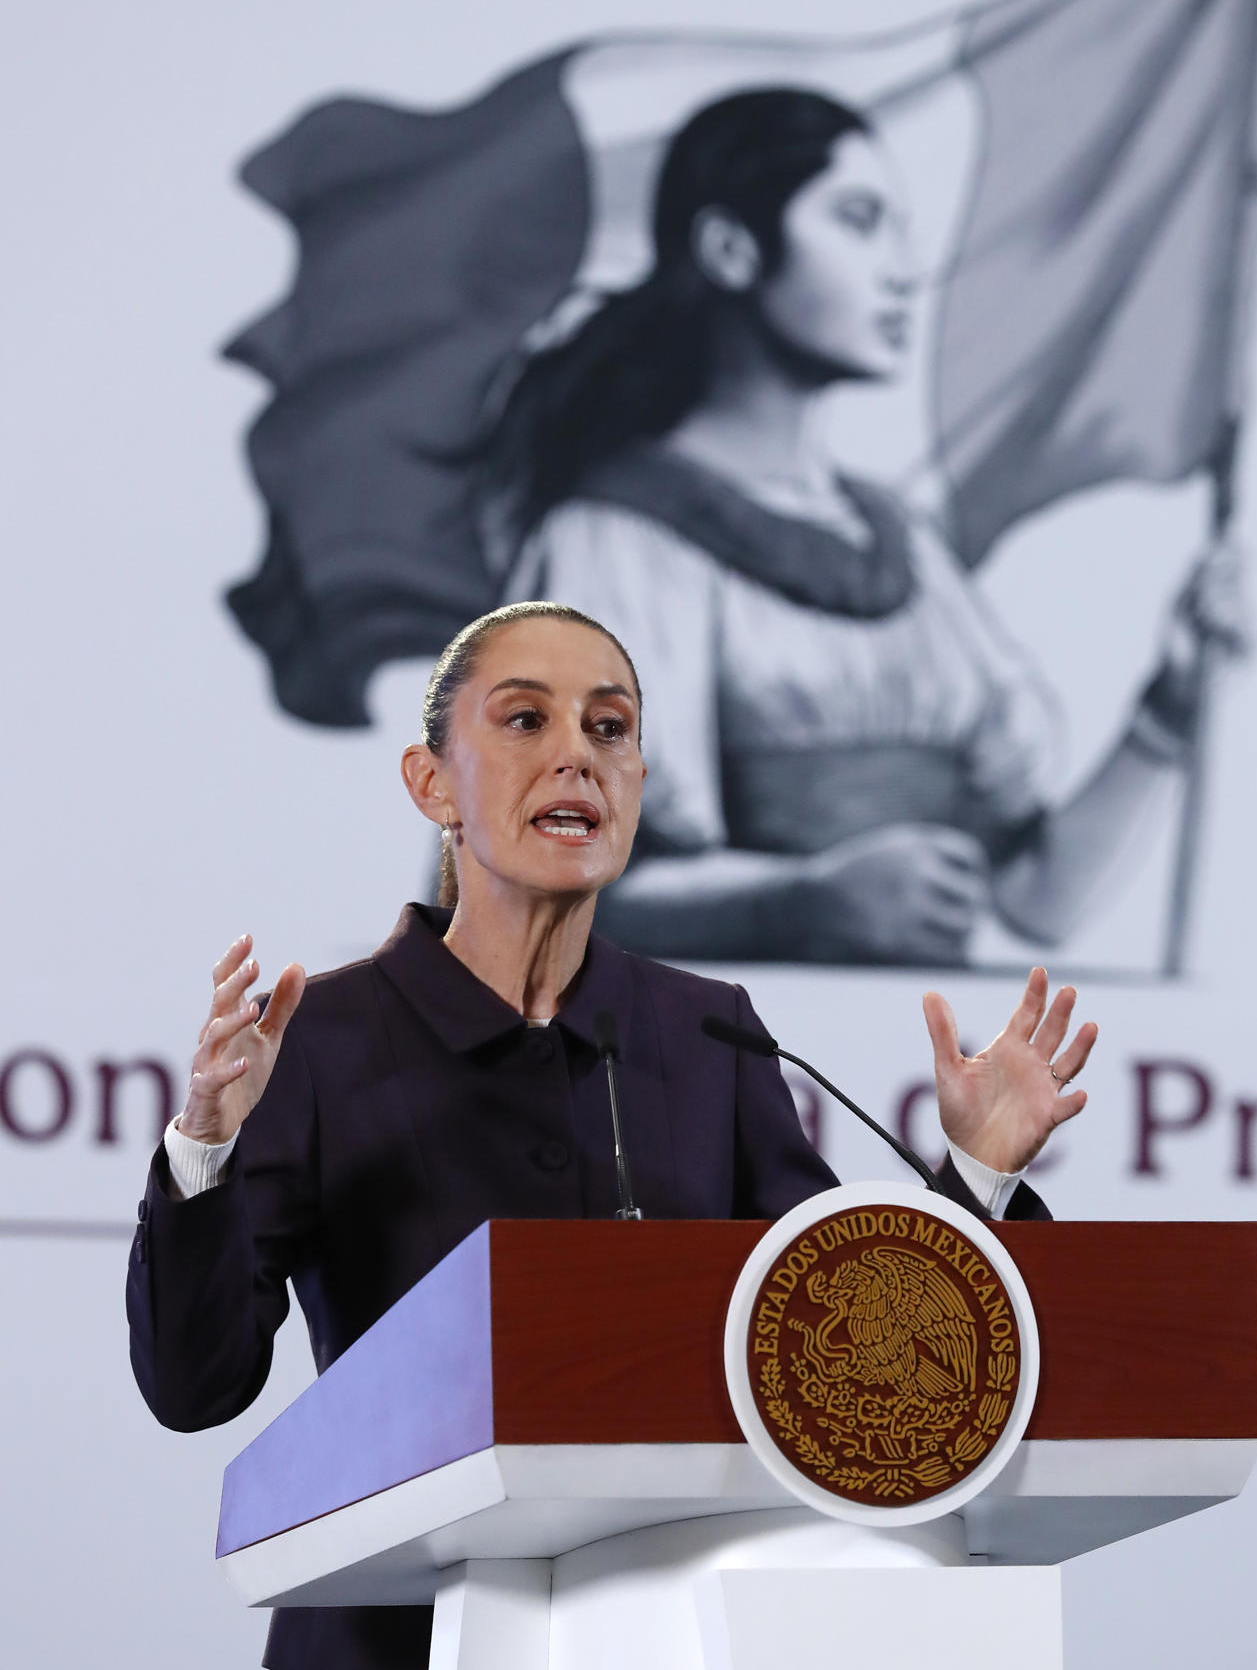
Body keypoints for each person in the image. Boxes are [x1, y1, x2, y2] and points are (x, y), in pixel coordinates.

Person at [127, 601, 1096, 1670]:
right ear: (431, 783)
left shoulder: (705, 1031)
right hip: (391, 1640)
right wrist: (206, 1144)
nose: (576, 759)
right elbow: (194, 1383)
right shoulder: (322, 1041)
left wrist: (977, 1171)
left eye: (609, 728)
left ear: (639, 784)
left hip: (665, 1636)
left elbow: (851, 1355)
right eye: (525, 720)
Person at [499, 88, 1246, 964]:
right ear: (731, 249)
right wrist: (798, 901)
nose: (902, 270)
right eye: (859, 221)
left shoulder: (907, 551)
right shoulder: (611, 541)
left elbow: (1035, 903)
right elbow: (548, 885)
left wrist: (1168, 712)